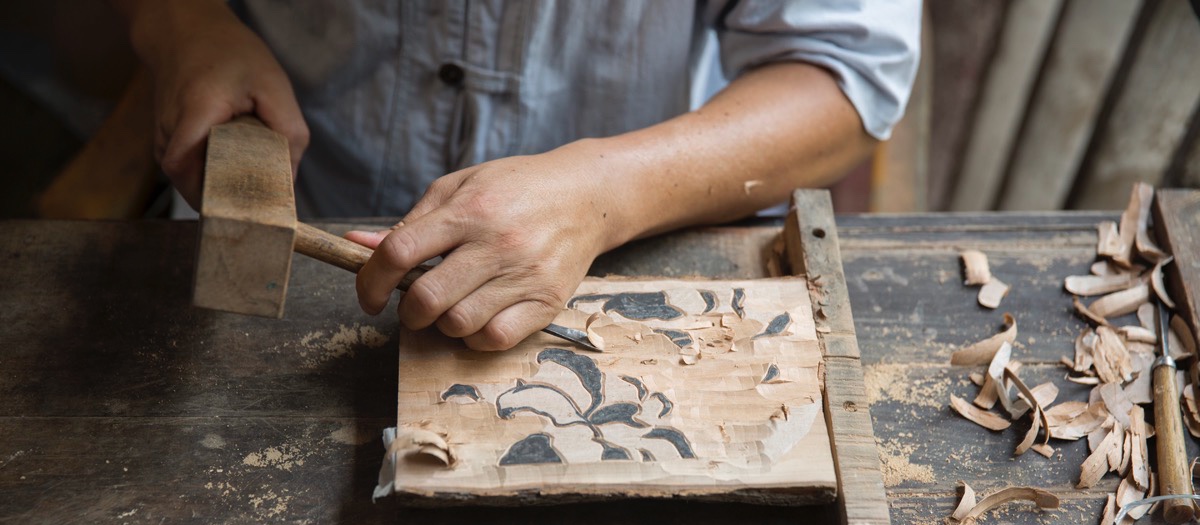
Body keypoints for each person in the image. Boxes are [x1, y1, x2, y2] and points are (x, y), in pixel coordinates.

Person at [111, 1, 920, 351]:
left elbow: (844, 73)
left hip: (618, 253)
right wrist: (184, 21)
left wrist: (604, 192)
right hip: (304, 222)